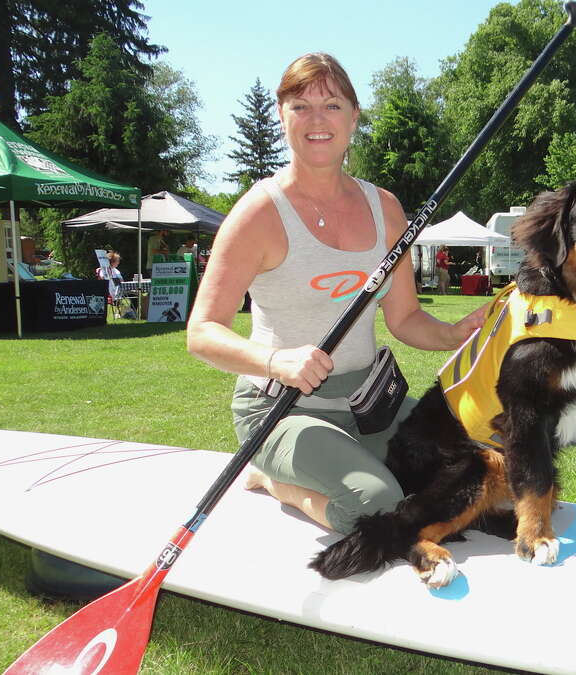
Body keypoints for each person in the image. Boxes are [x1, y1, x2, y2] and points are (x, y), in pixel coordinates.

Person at [187, 53, 485, 535]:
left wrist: (454, 334)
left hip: (369, 405)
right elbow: (201, 332)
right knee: (377, 505)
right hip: (281, 410)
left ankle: (356, 463)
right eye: (300, 106)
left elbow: (406, 318)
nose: (317, 120)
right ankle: (271, 478)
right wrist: (275, 361)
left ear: (354, 116)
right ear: (281, 115)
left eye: (331, 105)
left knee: (471, 473)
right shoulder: (258, 214)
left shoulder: (385, 208)